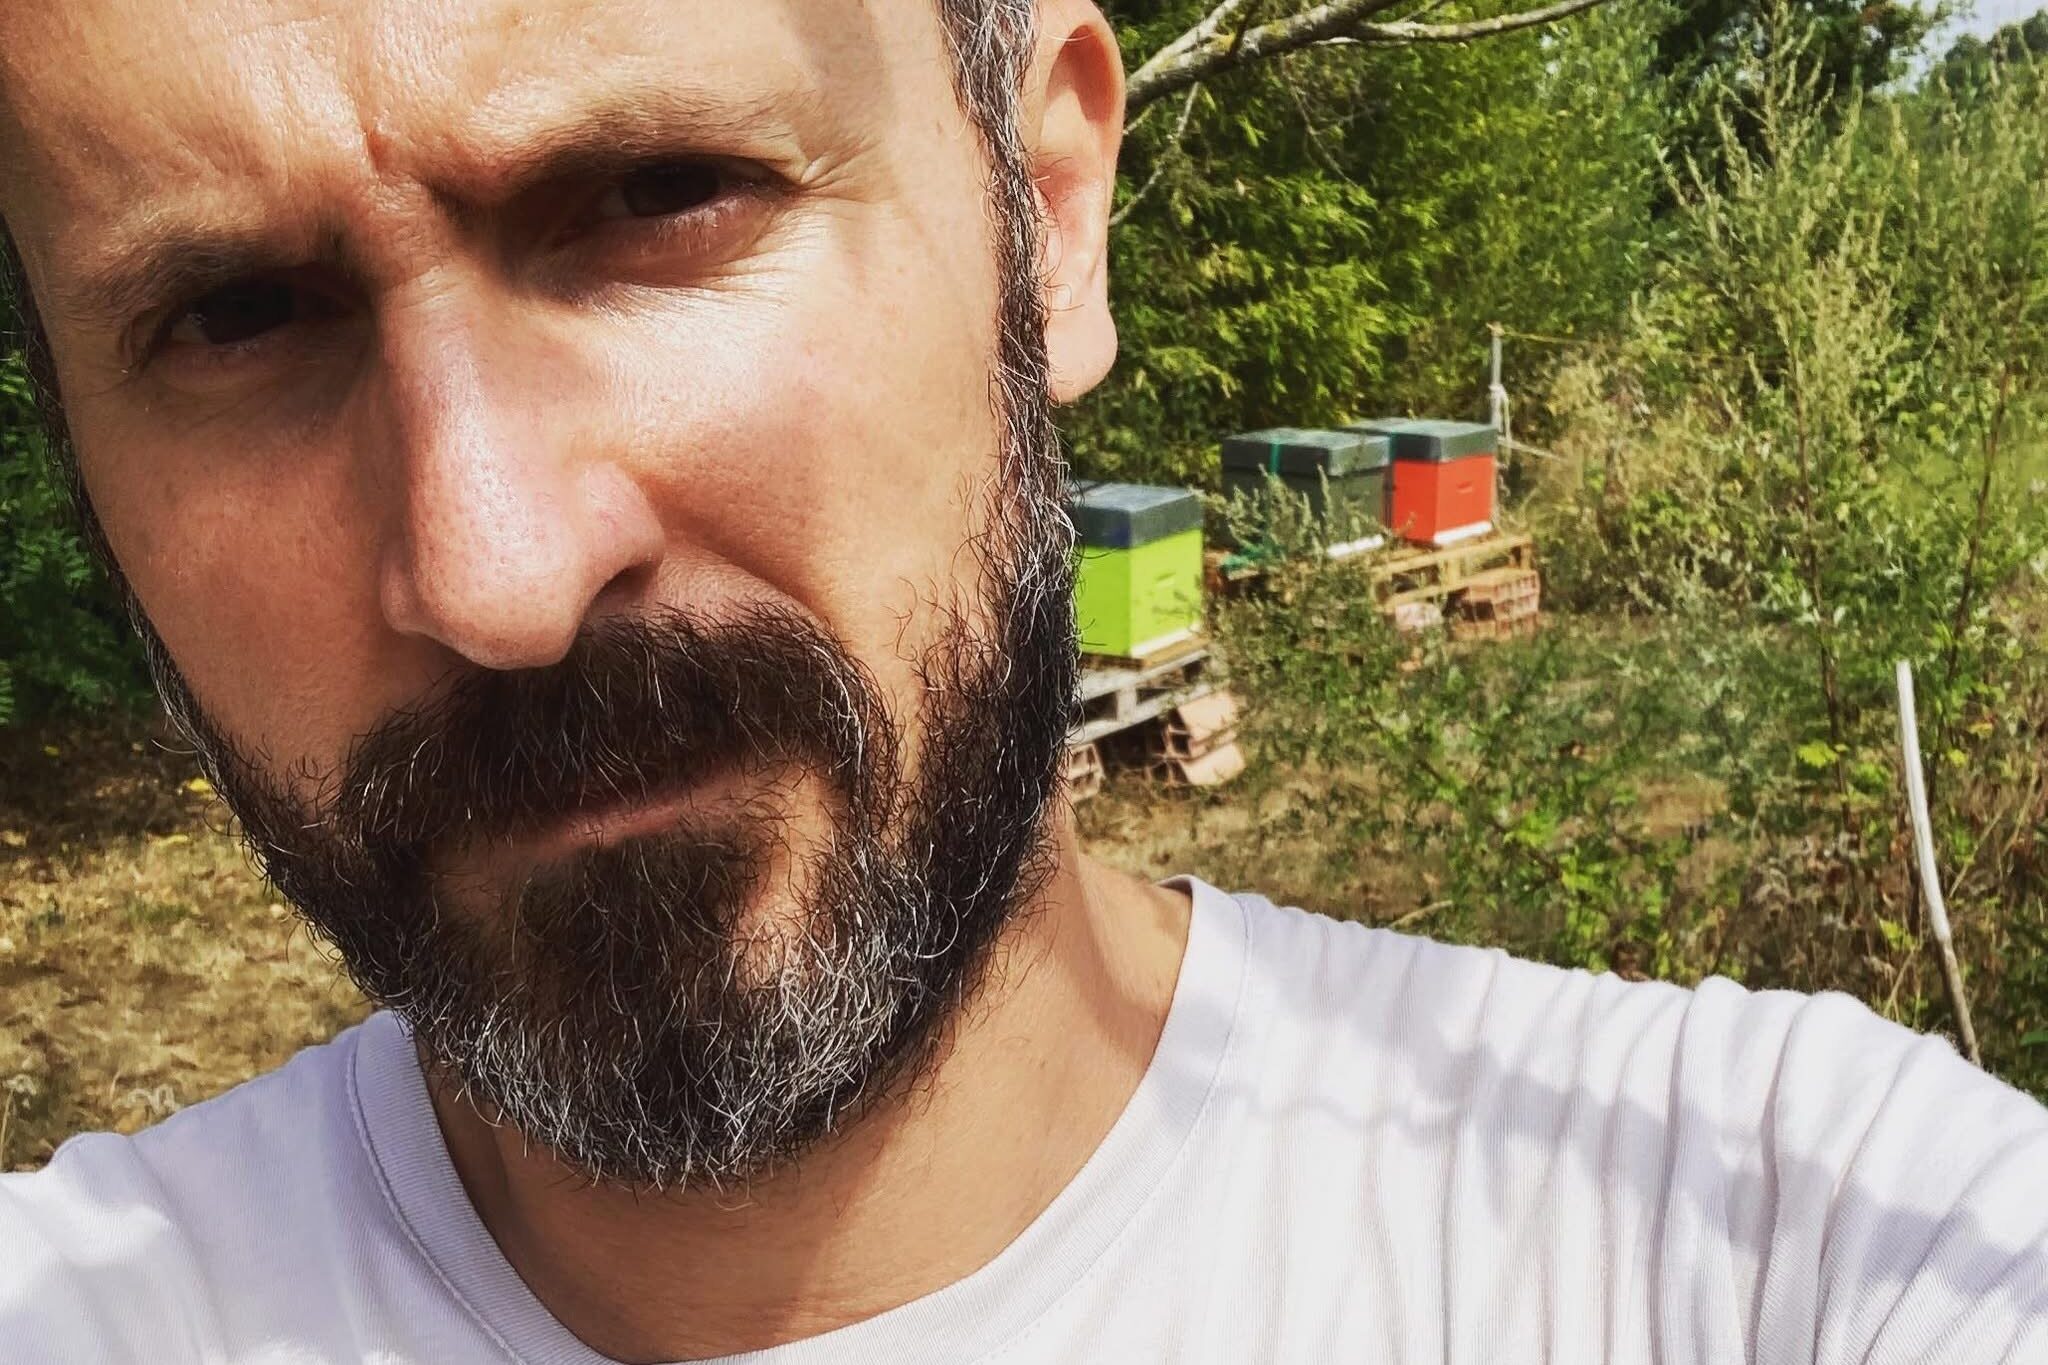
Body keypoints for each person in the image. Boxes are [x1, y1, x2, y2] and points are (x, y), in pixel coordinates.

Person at [0, 0, 2044, 1359]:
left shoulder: (1782, 1243)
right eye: (235, 313)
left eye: (658, 199)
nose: (498, 569)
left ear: (1048, 212)